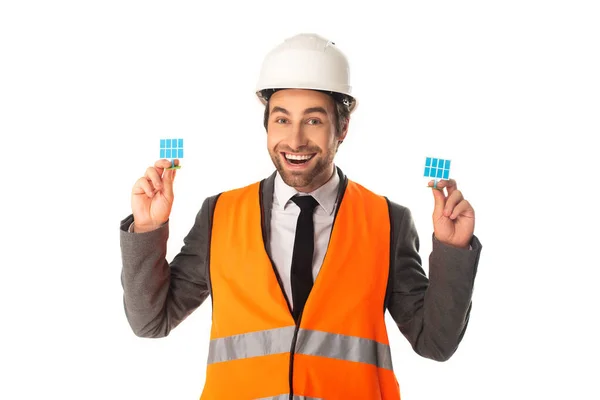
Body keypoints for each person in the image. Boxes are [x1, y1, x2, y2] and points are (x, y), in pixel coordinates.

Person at [120, 33, 482, 399]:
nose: (294, 140)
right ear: (266, 125)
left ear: (342, 128)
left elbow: (435, 342)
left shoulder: (387, 221)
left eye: (313, 121)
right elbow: (151, 321)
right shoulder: (220, 215)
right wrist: (148, 229)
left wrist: (452, 250)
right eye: (281, 120)